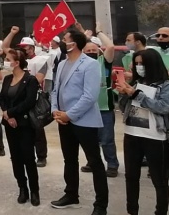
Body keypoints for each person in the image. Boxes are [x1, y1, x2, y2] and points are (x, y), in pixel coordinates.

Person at [50, 30, 108, 215]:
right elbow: (55, 90)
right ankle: (71, 194)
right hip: (63, 120)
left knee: (95, 162)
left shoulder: (90, 64)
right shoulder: (61, 64)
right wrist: (55, 110)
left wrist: (70, 114)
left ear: (73, 44)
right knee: (69, 160)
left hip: (84, 121)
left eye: (64, 40)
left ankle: (100, 205)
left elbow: (90, 96)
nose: (61, 43)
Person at [116, 49, 169, 215]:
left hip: (155, 137)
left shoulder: (166, 85)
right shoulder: (134, 82)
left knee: (159, 179)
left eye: (142, 63)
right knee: (131, 177)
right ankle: (132, 210)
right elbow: (123, 108)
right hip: (132, 135)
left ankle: (160, 212)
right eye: (137, 64)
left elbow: (164, 107)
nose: (139, 67)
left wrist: (136, 94)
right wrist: (124, 94)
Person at [0, 49, 41, 206]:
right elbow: (2, 98)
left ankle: (34, 190)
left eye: (8, 59)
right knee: (16, 158)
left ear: (17, 63)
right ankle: (22, 188)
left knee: (28, 158)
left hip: (24, 124)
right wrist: (6, 115)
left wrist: (11, 113)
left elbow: (29, 102)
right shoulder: (8, 78)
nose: (6, 61)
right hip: (10, 124)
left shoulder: (30, 80)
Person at [4, 27, 49, 167]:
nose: (23, 50)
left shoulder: (41, 60)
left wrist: (24, 84)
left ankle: (41, 155)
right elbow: (5, 46)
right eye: (21, 47)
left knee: (37, 128)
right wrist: (12, 33)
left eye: (26, 47)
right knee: (19, 128)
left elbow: (39, 78)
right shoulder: (16, 59)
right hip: (16, 99)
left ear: (32, 48)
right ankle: (20, 153)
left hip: (32, 99)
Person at [81, 26, 119, 178]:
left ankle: (112, 165)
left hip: (104, 108)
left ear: (99, 51)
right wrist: (83, 36)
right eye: (87, 50)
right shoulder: (80, 64)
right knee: (90, 140)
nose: (91, 52)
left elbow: (110, 46)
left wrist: (99, 32)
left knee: (107, 139)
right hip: (86, 109)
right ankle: (93, 162)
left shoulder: (104, 62)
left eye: (93, 50)